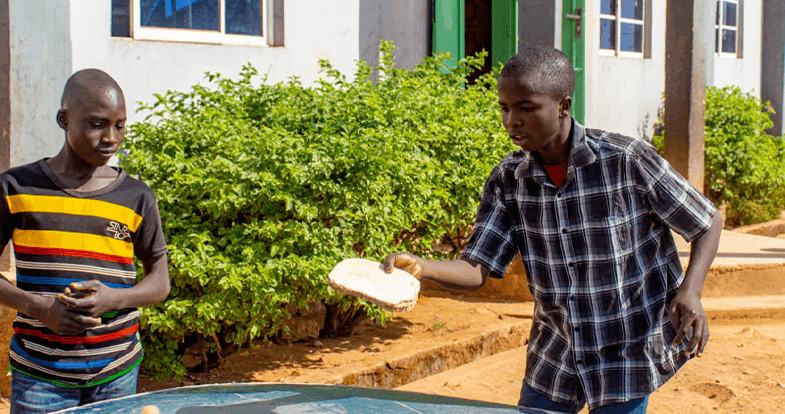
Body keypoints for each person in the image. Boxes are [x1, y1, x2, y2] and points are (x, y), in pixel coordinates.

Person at [383, 46, 722, 414]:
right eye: (504, 108)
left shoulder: (626, 161)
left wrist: (691, 291)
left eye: (526, 108)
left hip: (626, 352)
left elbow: (706, 221)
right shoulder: (508, 180)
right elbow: (477, 267)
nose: (511, 120)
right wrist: (423, 267)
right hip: (555, 356)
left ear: (563, 106)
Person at [0, 69, 170, 413]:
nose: (111, 137)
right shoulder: (16, 188)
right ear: (64, 119)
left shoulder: (136, 197)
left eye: (120, 125)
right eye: (97, 124)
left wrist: (113, 299)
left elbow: (160, 281)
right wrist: (38, 307)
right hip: (40, 376)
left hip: (116, 372)